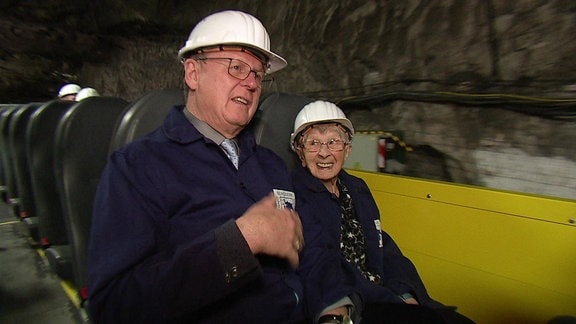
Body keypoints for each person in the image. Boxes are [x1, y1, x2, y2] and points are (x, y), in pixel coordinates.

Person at [87, 10, 306, 323]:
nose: (251, 83)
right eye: (237, 67)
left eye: (258, 74)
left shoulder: (272, 165)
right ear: (192, 73)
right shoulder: (137, 167)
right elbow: (113, 307)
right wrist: (241, 241)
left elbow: (302, 255)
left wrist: (332, 305)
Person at [290, 100, 475, 324]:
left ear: (347, 150)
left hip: (386, 293)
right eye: (313, 143)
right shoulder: (295, 195)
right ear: (300, 154)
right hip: (356, 301)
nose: (324, 153)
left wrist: (407, 295)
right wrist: (393, 301)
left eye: (333, 142)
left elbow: (381, 246)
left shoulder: (357, 188)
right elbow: (321, 261)